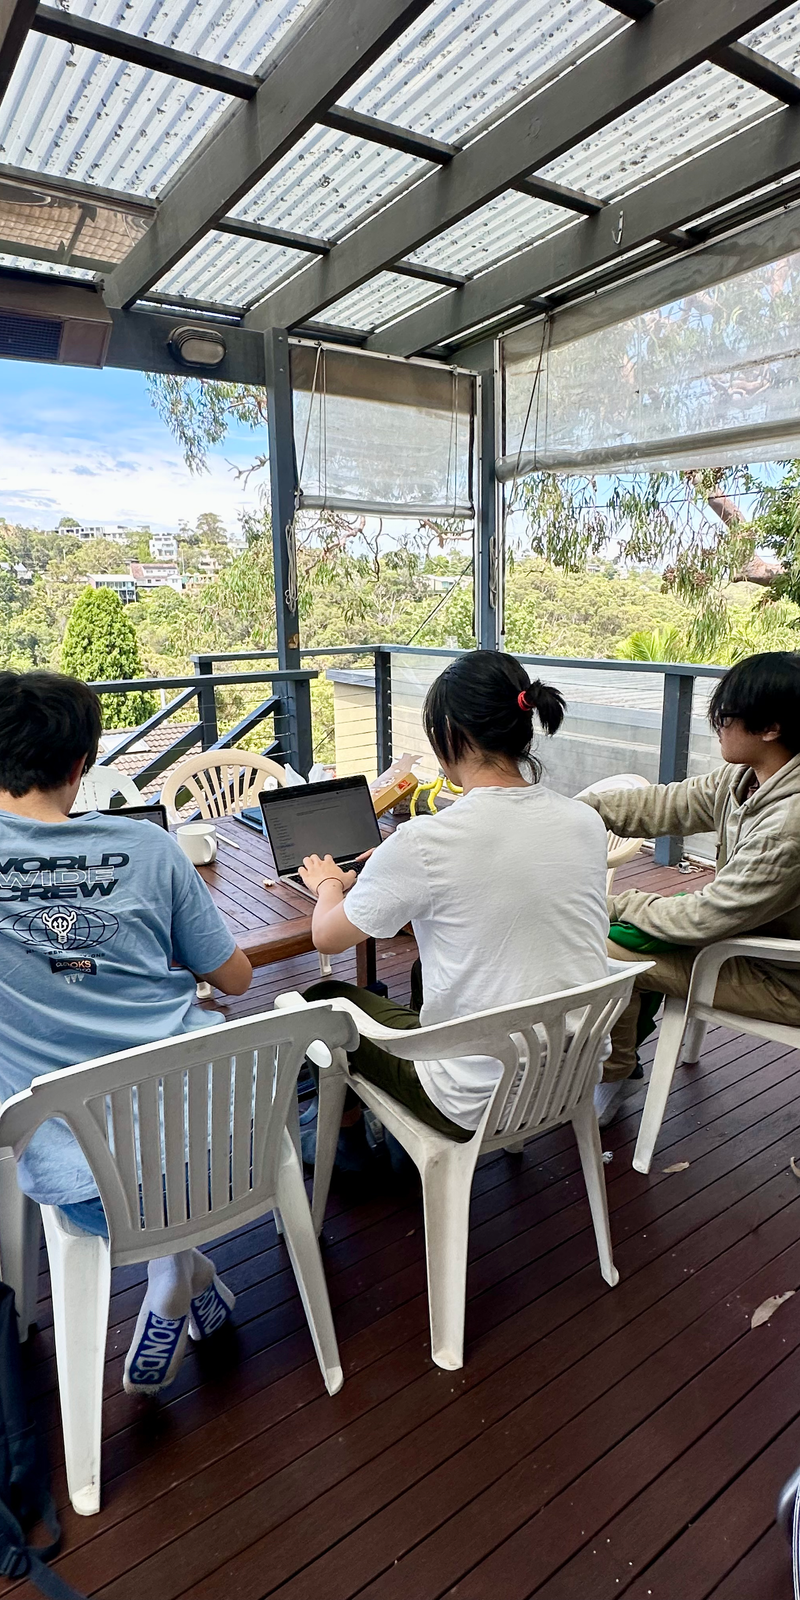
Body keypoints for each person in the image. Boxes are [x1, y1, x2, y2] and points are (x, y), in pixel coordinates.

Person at [0, 671, 252, 1395]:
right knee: (205, 1040)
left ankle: (177, 1267)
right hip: (218, 1156)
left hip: (82, 1185)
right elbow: (234, 979)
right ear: (81, 766)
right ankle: (179, 1267)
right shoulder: (148, 850)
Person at [297, 649, 611, 1164]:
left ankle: (349, 1147)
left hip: (469, 1100)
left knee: (326, 997)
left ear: (450, 735)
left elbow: (326, 937)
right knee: (426, 971)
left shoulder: (425, 843)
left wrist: (329, 883)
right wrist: (399, 872)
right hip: (569, 1073)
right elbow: (503, 888)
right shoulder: (583, 820)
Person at [581, 650, 800, 1126]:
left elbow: (703, 918)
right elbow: (665, 804)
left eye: (726, 715)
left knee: (603, 953)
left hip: (783, 976)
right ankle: (617, 1064)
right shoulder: (746, 778)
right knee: (620, 933)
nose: (716, 724)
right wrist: (574, 809)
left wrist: (614, 904)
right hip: (747, 938)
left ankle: (612, 1075)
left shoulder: (790, 824)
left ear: (771, 728)